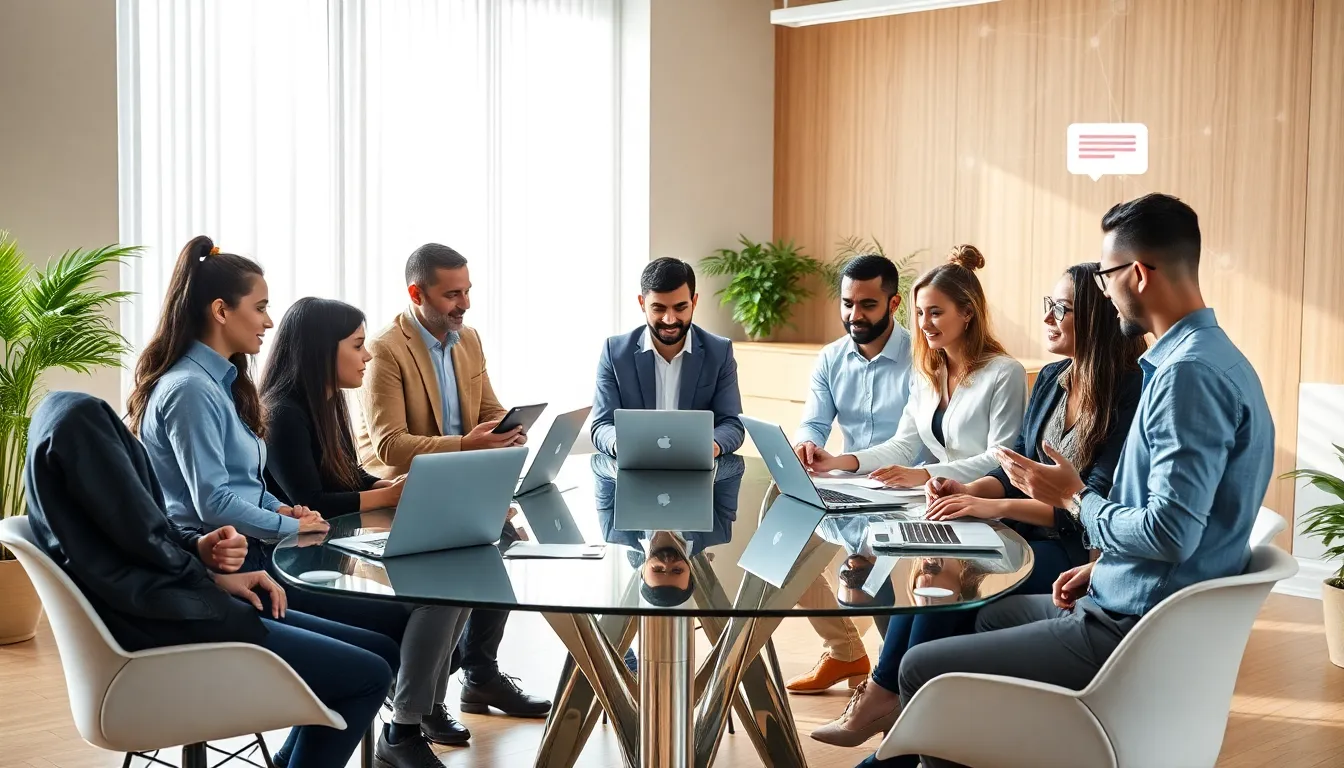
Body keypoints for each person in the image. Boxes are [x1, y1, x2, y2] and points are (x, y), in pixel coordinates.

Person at [860, 193, 1274, 768]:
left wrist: (1076, 498)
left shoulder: (1187, 377)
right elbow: (1183, 527)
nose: (1104, 292)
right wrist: (1101, 566)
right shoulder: (1214, 358)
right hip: (1127, 594)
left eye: (1106, 277)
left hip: (1131, 625)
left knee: (922, 666)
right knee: (983, 614)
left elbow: (1171, 533)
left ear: (1138, 274)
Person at [813, 261, 1145, 747]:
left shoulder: (1128, 392)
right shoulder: (1053, 377)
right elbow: (1013, 467)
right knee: (928, 563)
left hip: (1074, 551)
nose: (1047, 318)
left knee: (949, 573)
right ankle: (895, 704)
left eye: (1061, 309)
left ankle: (892, 706)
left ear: (1095, 316)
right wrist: (966, 491)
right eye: (1048, 306)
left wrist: (992, 506)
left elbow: (1088, 506)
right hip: (1020, 530)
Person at [25, 391, 397, 768]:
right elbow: (144, 537)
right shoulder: (90, 420)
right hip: (171, 623)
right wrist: (208, 576)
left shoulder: (64, 412)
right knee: (370, 675)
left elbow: (145, 528)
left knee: (382, 649)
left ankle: (285, 761)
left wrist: (200, 550)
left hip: (168, 606)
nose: (268, 326)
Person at [261, 297, 479, 764]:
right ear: (323, 351)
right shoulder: (282, 412)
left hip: (330, 555)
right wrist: (386, 496)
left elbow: (347, 476)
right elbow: (312, 498)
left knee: (454, 587)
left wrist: (384, 486)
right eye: (358, 345)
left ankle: (416, 714)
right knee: (435, 599)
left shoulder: (327, 405)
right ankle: (405, 727)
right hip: (293, 570)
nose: (368, 355)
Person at [353, 243, 550, 720]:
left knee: (504, 541)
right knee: (457, 574)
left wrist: (508, 427)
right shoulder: (385, 349)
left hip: (459, 483)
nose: (464, 304)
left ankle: (479, 676)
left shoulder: (469, 339)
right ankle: (427, 702)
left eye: (467, 291)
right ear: (416, 293)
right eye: (452, 295)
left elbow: (487, 410)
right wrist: (467, 445)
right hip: (402, 488)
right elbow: (389, 446)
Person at [786, 254, 917, 695]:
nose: (854, 315)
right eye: (847, 303)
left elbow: (911, 443)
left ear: (894, 303)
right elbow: (814, 421)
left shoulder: (921, 357)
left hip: (904, 492)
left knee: (874, 567)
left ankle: (893, 680)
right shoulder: (830, 358)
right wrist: (808, 443)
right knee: (779, 540)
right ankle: (844, 650)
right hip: (847, 486)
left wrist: (842, 462)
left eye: (867, 304)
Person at [806, 245, 1027, 489]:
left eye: (935, 313)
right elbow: (903, 446)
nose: (924, 324)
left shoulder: (1005, 373)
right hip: (936, 496)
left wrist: (924, 474)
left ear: (967, 312)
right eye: (920, 313)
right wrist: (836, 462)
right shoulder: (927, 372)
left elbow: (1001, 458)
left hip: (984, 500)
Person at [590, 257, 745, 458]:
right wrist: (620, 444)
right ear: (642, 303)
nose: (669, 319)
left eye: (680, 307)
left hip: (696, 468)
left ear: (694, 302)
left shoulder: (719, 351)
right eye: (658, 308)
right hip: (635, 467)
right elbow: (602, 424)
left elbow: (732, 423)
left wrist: (712, 445)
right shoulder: (615, 353)